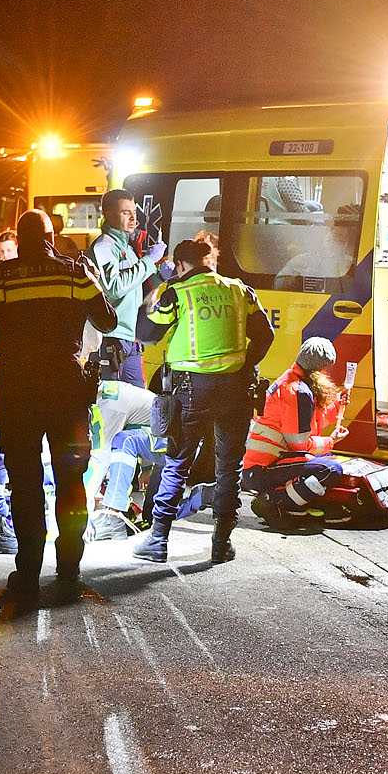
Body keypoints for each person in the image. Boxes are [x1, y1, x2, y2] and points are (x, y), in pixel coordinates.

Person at [0, 208, 118, 602]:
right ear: (52, 235)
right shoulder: (73, 272)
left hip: (17, 394)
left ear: (19, 239)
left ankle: (28, 573)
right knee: (70, 482)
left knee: (26, 485)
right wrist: (92, 281)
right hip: (67, 392)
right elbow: (107, 321)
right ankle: (69, 569)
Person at [134, 238, 274, 564]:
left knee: (178, 463)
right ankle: (221, 543)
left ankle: (158, 540)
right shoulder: (240, 290)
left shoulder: (178, 292)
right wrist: (243, 367)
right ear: (208, 261)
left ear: (181, 265)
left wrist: (161, 289)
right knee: (229, 467)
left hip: (192, 389)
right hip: (236, 389)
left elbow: (146, 332)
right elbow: (265, 335)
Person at [241, 337, 350, 525]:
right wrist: (331, 440)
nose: (326, 373)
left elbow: (307, 423)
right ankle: (275, 501)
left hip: (267, 462)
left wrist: (335, 407)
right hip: (263, 469)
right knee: (330, 468)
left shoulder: (295, 381)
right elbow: (299, 444)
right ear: (318, 369)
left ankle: (299, 502)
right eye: (325, 369)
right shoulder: (297, 392)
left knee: (326, 459)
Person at [88, 188, 167, 386]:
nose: (134, 218)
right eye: (126, 213)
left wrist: (159, 277)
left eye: (134, 212)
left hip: (130, 339)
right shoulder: (104, 247)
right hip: (110, 338)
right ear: (108, 214)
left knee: (139, 402)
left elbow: (132, 290)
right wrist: (149, 261)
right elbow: (114, 288)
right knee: (112, 403)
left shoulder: (127, 249)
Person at [88, 376, 158, 536]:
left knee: (121, 443)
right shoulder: (106, 392)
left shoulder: (109, 406)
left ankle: (114, 516)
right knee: (122, 441)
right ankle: (117, 510)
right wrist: (146, 468)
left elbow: (100, 457)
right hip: (163, 438)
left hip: (173, 443)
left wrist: (80, 503)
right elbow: (144, 425)